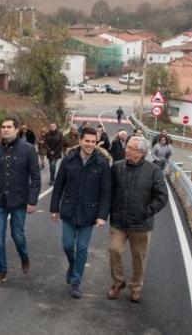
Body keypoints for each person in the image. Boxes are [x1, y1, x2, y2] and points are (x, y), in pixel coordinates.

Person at [50, 127, 112, 299]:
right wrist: (54, 208)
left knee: (82, 248)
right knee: (68, 245)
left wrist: (102, 216)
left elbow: (106, 192)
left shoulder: (102, 163)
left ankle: (76, 281)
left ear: (96, 142)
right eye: (87, 141)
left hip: (89, 214)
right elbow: (58, 186)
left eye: (93, 142)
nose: (90, 145)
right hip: (69, 211)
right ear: (80, 141)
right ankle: (73, 265)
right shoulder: (68, 160)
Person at [107, 136, 168, 303]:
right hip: (119, 221)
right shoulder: (117, 167)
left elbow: (162, 196)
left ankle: (135, 287)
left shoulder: (154, 170)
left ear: (140, 152)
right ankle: (118, 282)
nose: (126, 150)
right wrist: (106, 211)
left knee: (138, 258)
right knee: (114, 250)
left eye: (130, 148)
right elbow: (108, 190)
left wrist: (147, 212)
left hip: (141, 224)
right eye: (127, 147)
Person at [0, 117, 41, 284]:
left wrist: (32, 201)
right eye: (3, 127)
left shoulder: (28, 150)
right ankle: (1, 271)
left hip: (19, 201)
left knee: (17, 235)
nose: (5, 130)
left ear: (17, 130)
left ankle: (24, 257)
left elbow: (36, 178)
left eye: (9, 127)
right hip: (0, 201)